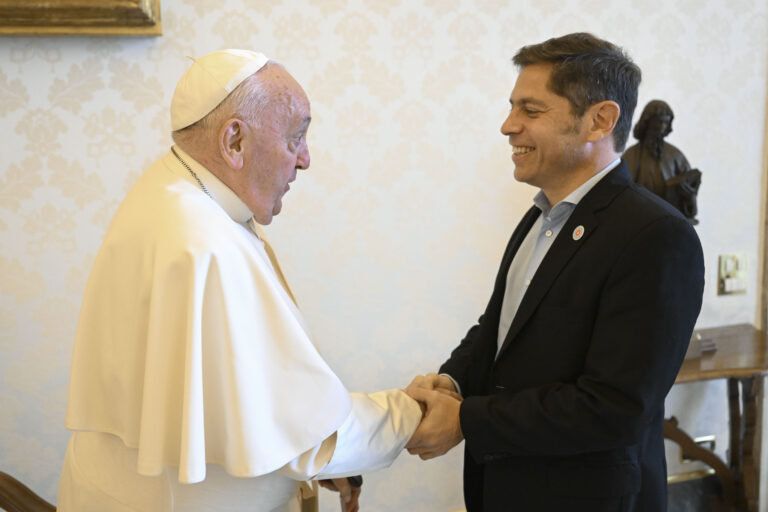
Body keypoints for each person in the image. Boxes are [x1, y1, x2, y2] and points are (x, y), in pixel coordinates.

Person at [57, 49, 422, 512]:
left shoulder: (174, 196)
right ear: (234, 141)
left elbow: (257, 413)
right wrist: (414, 415)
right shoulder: (200, 239)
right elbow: (303, 437)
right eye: (296, 138)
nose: (306, 160)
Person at [405, 33, 705, 512]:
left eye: (531, 110)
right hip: (506, 487)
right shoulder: (539, 217)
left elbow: (614, 408)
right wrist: (452, 383)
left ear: (599, 120)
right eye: (512, 107)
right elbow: (498, 332)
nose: (508, 126)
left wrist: (467, 420)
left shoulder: (657, 236)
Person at [623, 99, 701, 224]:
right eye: (659, 122)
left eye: (666, 123)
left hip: (672, 223)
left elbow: (691, 206)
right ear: (647, 122)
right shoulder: (631, 155)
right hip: (640, 222)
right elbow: (622, 192)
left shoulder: (676, 156)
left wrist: (688, 194)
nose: (662, 127)